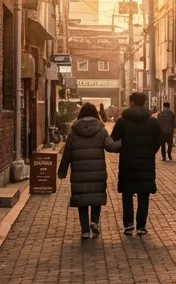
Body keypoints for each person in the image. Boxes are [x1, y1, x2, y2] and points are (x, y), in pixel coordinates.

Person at [107, 92, 163, 236]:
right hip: (146, 164)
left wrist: (124, 148)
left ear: (131, 103)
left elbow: (114, 139)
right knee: (144, 195)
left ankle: (128, 225)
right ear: (144, 103)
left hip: (127, 162)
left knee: (127, 194)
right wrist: (150, 152)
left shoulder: (122, 121)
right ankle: (141, 226)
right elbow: (159, 140)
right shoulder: (152, 121)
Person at [57, 103, 107, 240]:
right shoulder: (101, 130)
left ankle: (85, 230)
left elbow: (67, 153)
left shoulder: (73, 132)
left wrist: (62, 171)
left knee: (82, 200)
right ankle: (94, 222)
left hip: (79, 172)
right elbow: (110, 145)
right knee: (96, 197)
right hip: (97, 171)